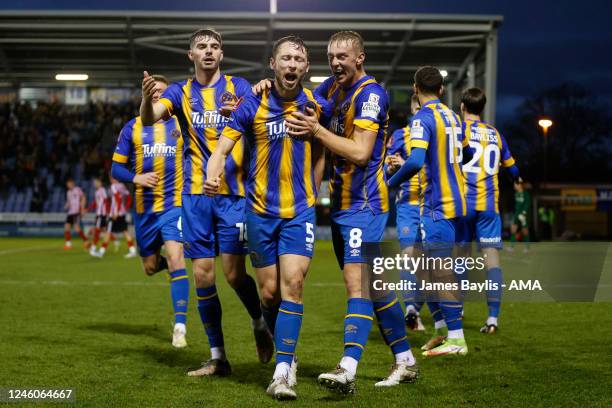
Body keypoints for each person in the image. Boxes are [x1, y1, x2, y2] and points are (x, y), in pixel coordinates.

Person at [283, 31, 418, 392]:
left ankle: (347, 368)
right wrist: (266, 90)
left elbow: (360, 152)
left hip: (366, 204)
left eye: (343, 56)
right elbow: (299, 100)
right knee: (374, 288)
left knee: (356, 284)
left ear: (360, 57)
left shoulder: (371, 95)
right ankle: (405, 361)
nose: (336, 62)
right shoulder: (331, 88)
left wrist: (316, 130)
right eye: (331, 56)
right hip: (343, 206)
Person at [140, 28, 271, 375]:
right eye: (202, 47)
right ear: (191, 55)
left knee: (233, 275)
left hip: (232, 195)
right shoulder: (179, 92)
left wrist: (263, 87)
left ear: (222, 54)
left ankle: (259, 322)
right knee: (201, 275)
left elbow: (260, 116)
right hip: (195, 196)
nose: (209, 51)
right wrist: (144, 98)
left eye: (214, 46)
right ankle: (218, 358)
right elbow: (149, 117)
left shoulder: (238, 88)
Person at [206, 35, 327, 401]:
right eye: (285, 58)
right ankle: (280, 345)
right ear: (273, 64)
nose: (292, 64)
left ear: (306, 67)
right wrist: (213, 174)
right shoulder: (251, 104)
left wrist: (314, 190)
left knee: (293, 285)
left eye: (299, 59)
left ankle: (283, 369)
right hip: (258, 212)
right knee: (270, 293)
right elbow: (222, 148)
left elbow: (322, 149)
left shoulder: (314, 106)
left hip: (298, 212)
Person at [389, 66, 472, 357]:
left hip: (435, 204)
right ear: (441, 90)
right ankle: (441, 329)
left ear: (415, 89)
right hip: (456, 201)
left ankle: (457, 339)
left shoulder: (422, 119)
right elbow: (468, 152)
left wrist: (388, 183)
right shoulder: (452, 115)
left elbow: (413, 162)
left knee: (439, 272)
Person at [110, 74, 190, 348]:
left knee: (177, 258)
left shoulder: (180, 124)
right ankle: (173, 270)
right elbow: (116, 168)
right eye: (153, 92)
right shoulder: (131, 128)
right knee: (150, 267)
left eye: (162, 92)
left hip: (174, 205)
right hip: (145, 211)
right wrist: (136, 178)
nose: (157, 95)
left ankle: (180, 325)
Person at [455, 87, 520, 334]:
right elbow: (513, 170)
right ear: (482, 108)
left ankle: (457, 310)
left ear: (462, 106)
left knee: (460, 258)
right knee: (491, 261)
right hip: (489, 206)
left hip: (463, 204)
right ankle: (492, 319)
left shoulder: (459, 131)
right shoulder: (494, 133)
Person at [386, 94, 426, 331]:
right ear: (412, 108)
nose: (422, 110)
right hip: (409, 205)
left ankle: (423, 310)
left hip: (435, 205)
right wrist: (391, 167)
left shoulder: (439, 135)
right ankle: (411, 310)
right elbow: (384, 171)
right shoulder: (401, 135)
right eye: (418, 106)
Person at [94, 177, 137, 258]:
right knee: (125, 231)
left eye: (111, 178)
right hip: (122, 213)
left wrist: (116, 211)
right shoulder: (123, 186)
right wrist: (125, 208)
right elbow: (129, 198)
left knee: (108, 231)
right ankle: (133, 251)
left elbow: (118, 198)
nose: (111, 180)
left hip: (114, 213)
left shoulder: (114, 186)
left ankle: (101, 252)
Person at [63, 178, 89, 250]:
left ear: (72, 183)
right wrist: (66, 205)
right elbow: (69, 201)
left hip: (76, 212)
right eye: (67, 184)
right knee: (66, 227)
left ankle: (86, 241)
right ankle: (68, 244)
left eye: (69, 184)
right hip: (70, 212)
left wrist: (82, 209)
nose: (68, 185)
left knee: (76, 228)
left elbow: (83, 198)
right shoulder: (68, 192)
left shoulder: (77, 189)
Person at [88, 176, 111, 257]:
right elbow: (96, 202)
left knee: (97, 231)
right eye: (94, 183)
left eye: (96, 182)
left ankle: (93, 248)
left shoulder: (102, 190)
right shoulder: (97, 191)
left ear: (100, 183)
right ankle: (102, 249)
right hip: (100, 214)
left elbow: (106, 201)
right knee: (104, 231)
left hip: (101, 214)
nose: (95, 184)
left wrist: (108, 212)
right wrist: (89, 209)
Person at [509, 179, 531, 252]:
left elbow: (527, 204)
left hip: (523, 215)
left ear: (519, 185)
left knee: (525, 230)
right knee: (513, 229)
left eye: (515, 184)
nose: (514, 186)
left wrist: (524, 213)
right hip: (516, 214)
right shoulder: (516, 194)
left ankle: (527, 248)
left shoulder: (525, 194)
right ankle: (511, 247)